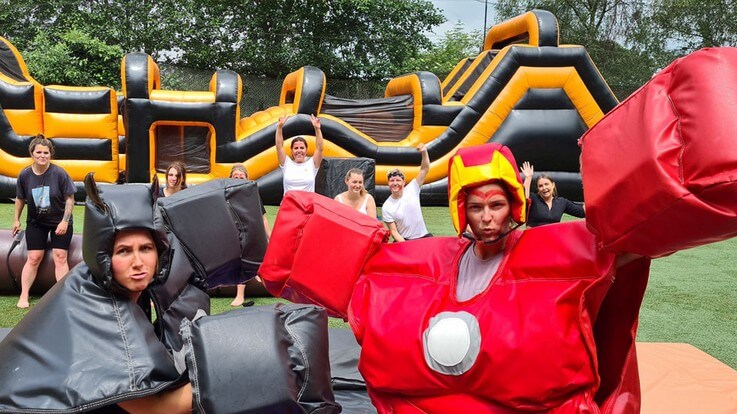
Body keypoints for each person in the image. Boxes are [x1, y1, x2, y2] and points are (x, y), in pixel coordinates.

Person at [261, 143, 652, 412]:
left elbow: (628, 245)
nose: (487, 217)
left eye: (496, 205)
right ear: (462, 210)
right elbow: (371, 275)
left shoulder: (552, 253)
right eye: (477, 207)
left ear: (513, 205)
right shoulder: (431, 259)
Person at [12, 135, 76, 308]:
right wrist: (16, 220)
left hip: (59, 221)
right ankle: (24, 295)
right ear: (32, 154)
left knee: (60, 256)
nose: (42, 156)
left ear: (50, 154)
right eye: (39, 152)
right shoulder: (25, 174)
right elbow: (20, 199)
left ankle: (64, 296)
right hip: (36, 222)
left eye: (46, 153)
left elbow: (70, 199)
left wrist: (65, 221)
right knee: (34, 257)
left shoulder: (59, 173)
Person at [228, 163, 272, 307]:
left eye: (242, 177)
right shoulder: (226, 194)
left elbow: (262, 218)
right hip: (234, 233)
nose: (238, 179)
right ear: (230, 178)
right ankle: (240, 293)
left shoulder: (252, 194)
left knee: (258, 246)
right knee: (241, 249)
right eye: (235, 177)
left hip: (250, 232)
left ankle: (256, 272)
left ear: (247, 179)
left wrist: (270, 237)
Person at [381, 143, 430, 241]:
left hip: (423, 237)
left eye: (398, 180)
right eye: (392, 180)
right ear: (388, 183)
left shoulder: (413, 188)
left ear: (404, 183)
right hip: (404, 240)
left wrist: (424, 152)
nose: (395, 183)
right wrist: (407, 245)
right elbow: (394, 232)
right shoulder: (387, 206)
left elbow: (424, 169)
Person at [520, 161, 585, 227]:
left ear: (553, 185)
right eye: (540, 186)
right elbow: (524, 198)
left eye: (546, 184)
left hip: (552, 233)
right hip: (534, 233)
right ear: (538, 189)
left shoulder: (562, 202)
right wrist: (528, 178)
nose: (544, 188)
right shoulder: (534, 199)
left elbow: (582, 212)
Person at [275, 114, 324, 194]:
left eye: (302, 148)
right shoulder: (286, 163)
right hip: (290, 201)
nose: (299, 151)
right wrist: (279, 127)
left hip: (307, 201)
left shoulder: (312, 164)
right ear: (292, 151)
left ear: (306, 150)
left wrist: (317, 129)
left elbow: (320, 148)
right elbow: (279, 147)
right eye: (296, 148)